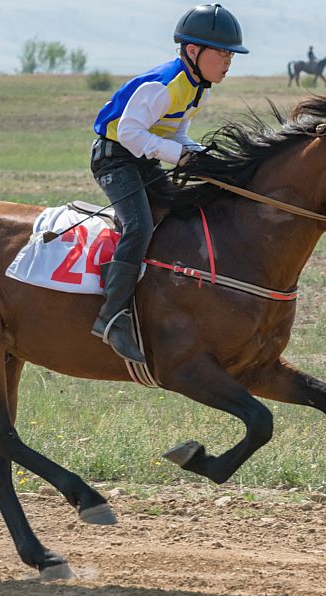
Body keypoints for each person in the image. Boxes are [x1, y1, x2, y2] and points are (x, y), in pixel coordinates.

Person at [90, 3, 248, 364]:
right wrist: (178, 156)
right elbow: (129, 132)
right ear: (193, 51)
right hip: (114, 159)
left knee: (180, 209)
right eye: (222, 52)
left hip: (142, 158)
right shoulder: (164, 84)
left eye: (231, 54)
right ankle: (111, 317)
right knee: (139, 225)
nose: (228, 61)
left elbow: (175, 131)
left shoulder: (198, 88)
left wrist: (198, 153)